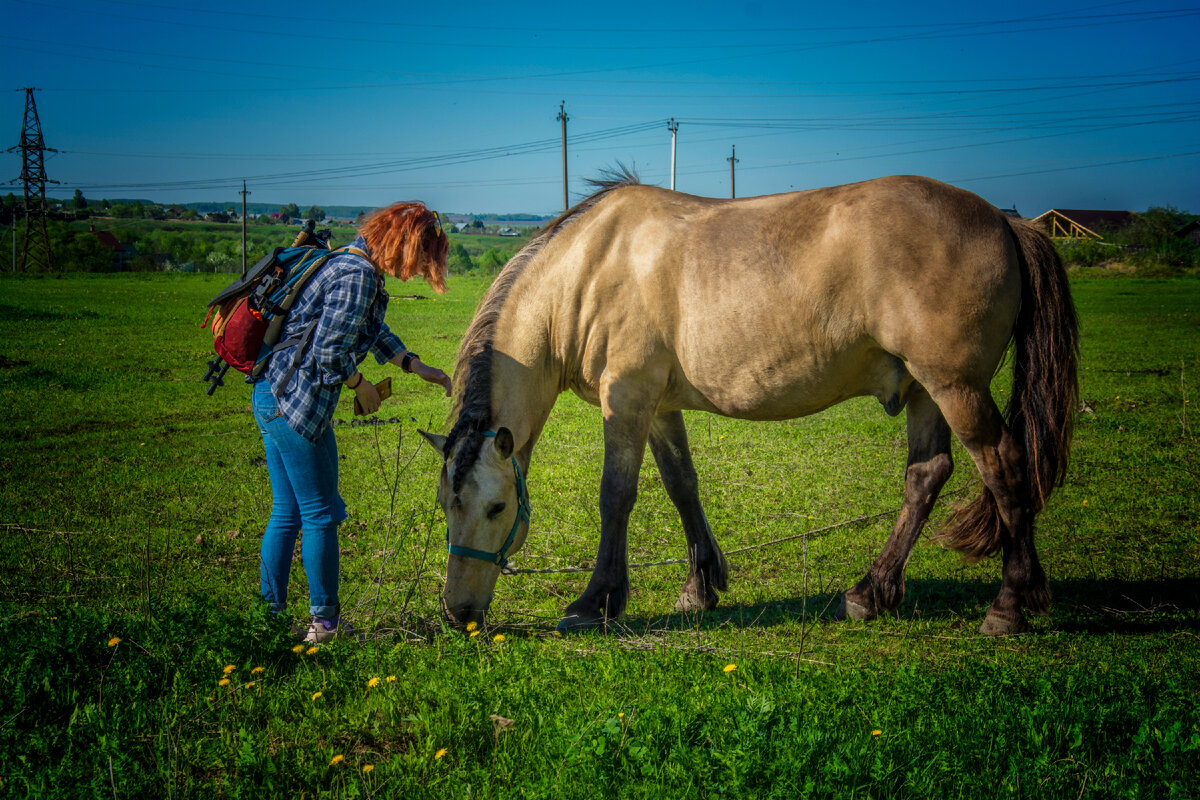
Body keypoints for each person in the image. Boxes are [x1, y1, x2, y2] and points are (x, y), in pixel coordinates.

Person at [251, 201, 452, 643]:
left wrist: (411, 364)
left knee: (288, 512)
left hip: (271, 393)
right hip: (295, 404)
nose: (418, 269)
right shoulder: (357, 275)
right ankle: (323, 624)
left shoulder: (350, 262)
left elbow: (367, 328)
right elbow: (329, 354)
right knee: (321, 513)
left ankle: (265, 617)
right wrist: (360, 383)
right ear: (405, 242)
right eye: (421, 258)